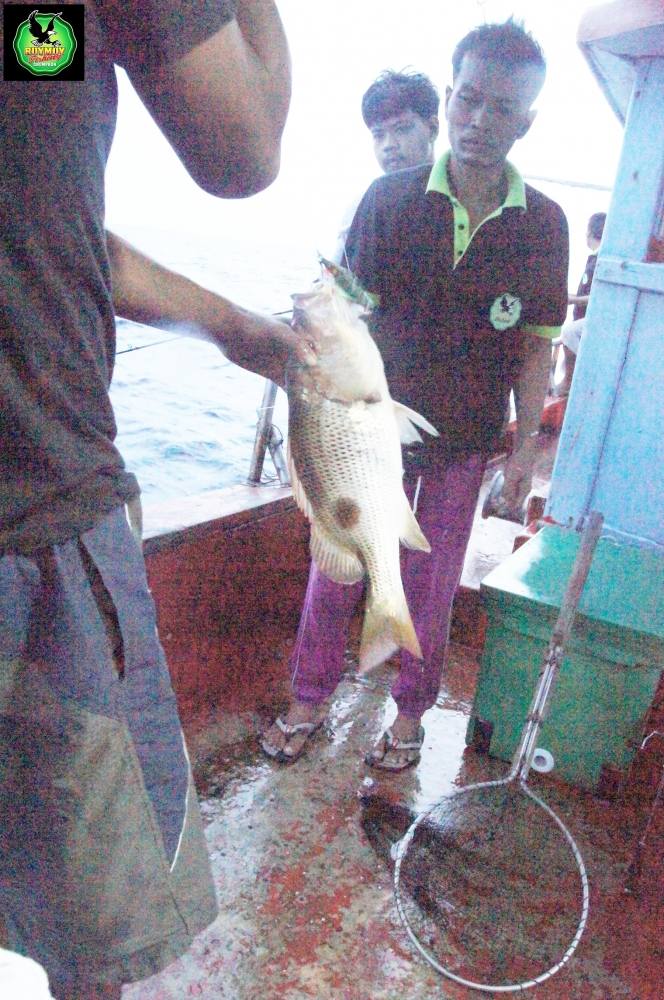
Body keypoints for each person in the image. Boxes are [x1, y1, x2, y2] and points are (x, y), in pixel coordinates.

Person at [0, 4, 312, 999]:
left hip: (45, 499)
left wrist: (233, 327)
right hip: (41, 511)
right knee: (97, 922)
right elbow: (244, 148)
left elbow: (42, 210)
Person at [261, 19, 569, 771]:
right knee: (335, 565)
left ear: (526, 122)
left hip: (465, 443)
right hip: (365, 437)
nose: (478, 121)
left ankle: (409, 716)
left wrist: (524, 449)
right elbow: (343, 314)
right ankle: (308, 700)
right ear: (450, 97)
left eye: (502, 109)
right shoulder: (388, 200)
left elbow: (535, 349)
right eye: (467, 100)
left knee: (430, 587)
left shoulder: (546, 227)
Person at [332, 69, 439, 263]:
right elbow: (336, 286)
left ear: (432, 128)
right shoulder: (363, 207)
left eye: (401, 129)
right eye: (378, 135)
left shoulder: (464, 197)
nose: (389, 144)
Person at [557, 211, 607, 395]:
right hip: (584, 317)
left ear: (590, 233)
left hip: (592, 319)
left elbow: (598, 297)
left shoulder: (600, 260)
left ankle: (579, 375)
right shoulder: (596, 259)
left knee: (569, 332)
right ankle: (569, 380)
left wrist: (573, 300)